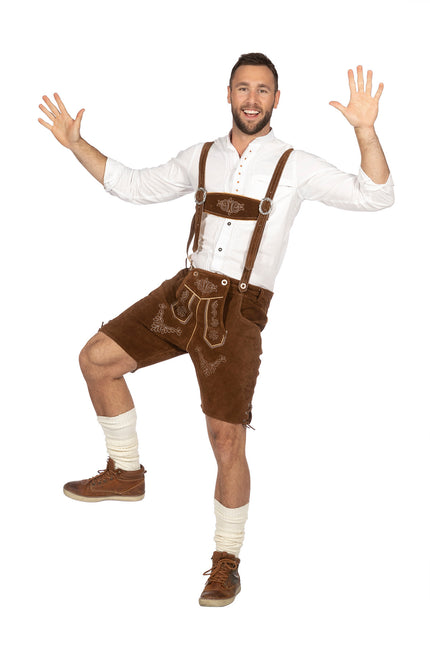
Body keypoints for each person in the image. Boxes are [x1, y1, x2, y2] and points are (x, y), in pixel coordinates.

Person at [38, 53, 394, 607]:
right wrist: (75, 143)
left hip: (240, 310)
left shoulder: (295, 164)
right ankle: (126, 471)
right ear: (228, 94)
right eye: (243, 88)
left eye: (263, 90)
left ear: (277, 100)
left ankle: (226, 560)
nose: (252, 99)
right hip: (187, 293)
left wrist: (365, 132)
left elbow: (376, 195)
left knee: (226, 440)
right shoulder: (202, 156)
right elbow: (132, 185)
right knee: (97, 359)